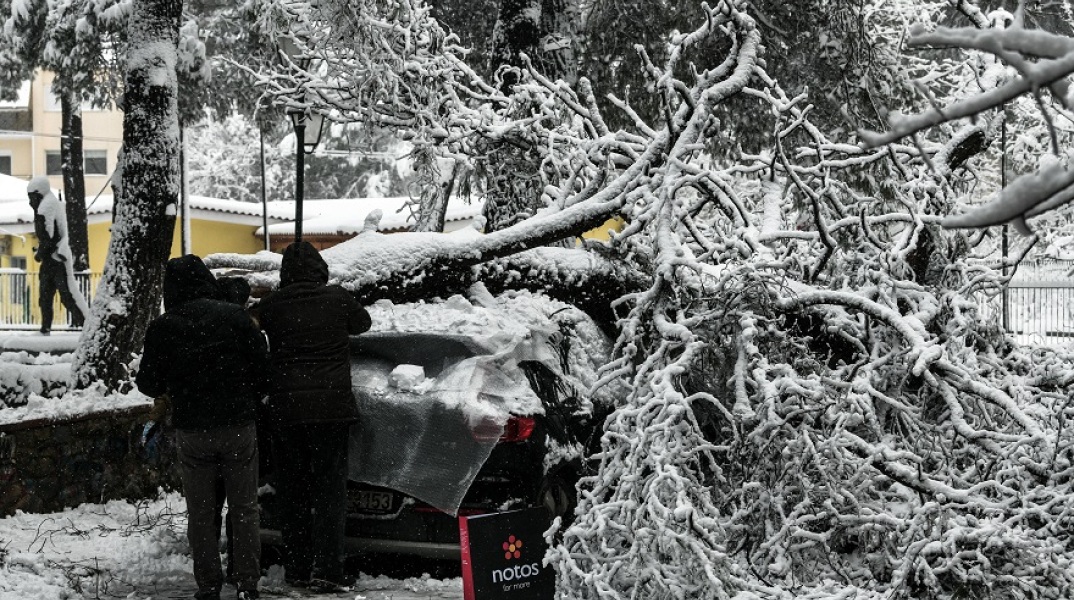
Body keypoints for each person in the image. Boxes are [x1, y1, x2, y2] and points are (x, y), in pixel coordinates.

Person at [136, 255, 268, 600]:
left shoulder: (164, 326)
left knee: (201, 511)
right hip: (238, 424)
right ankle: (247, 583)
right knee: (244, 507)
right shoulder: (235, 316)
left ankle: (209, 585)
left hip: (193, 430)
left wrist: (178, 377)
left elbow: (148, 383)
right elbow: (262, 368)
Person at [255, 241, 371, 592]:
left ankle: (297, 569)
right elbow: (363, 323)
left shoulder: (271, 306)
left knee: (293, 493)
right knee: (330, 494)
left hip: (287, 412)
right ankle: (329, 571)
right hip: (330, 413)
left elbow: (252, 326)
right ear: (320, 269)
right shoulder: (337, 299)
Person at [26, 177, 87, 335]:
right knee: (55, 297)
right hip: (54, 260)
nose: (30, 203)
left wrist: (39, 254)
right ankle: (47, 328)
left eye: (31, 198)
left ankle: (86, 325)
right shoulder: (52, 203)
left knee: (63, 296)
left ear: (38, 194)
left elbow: (47, 237)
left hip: (54, 261)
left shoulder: (45, 208)